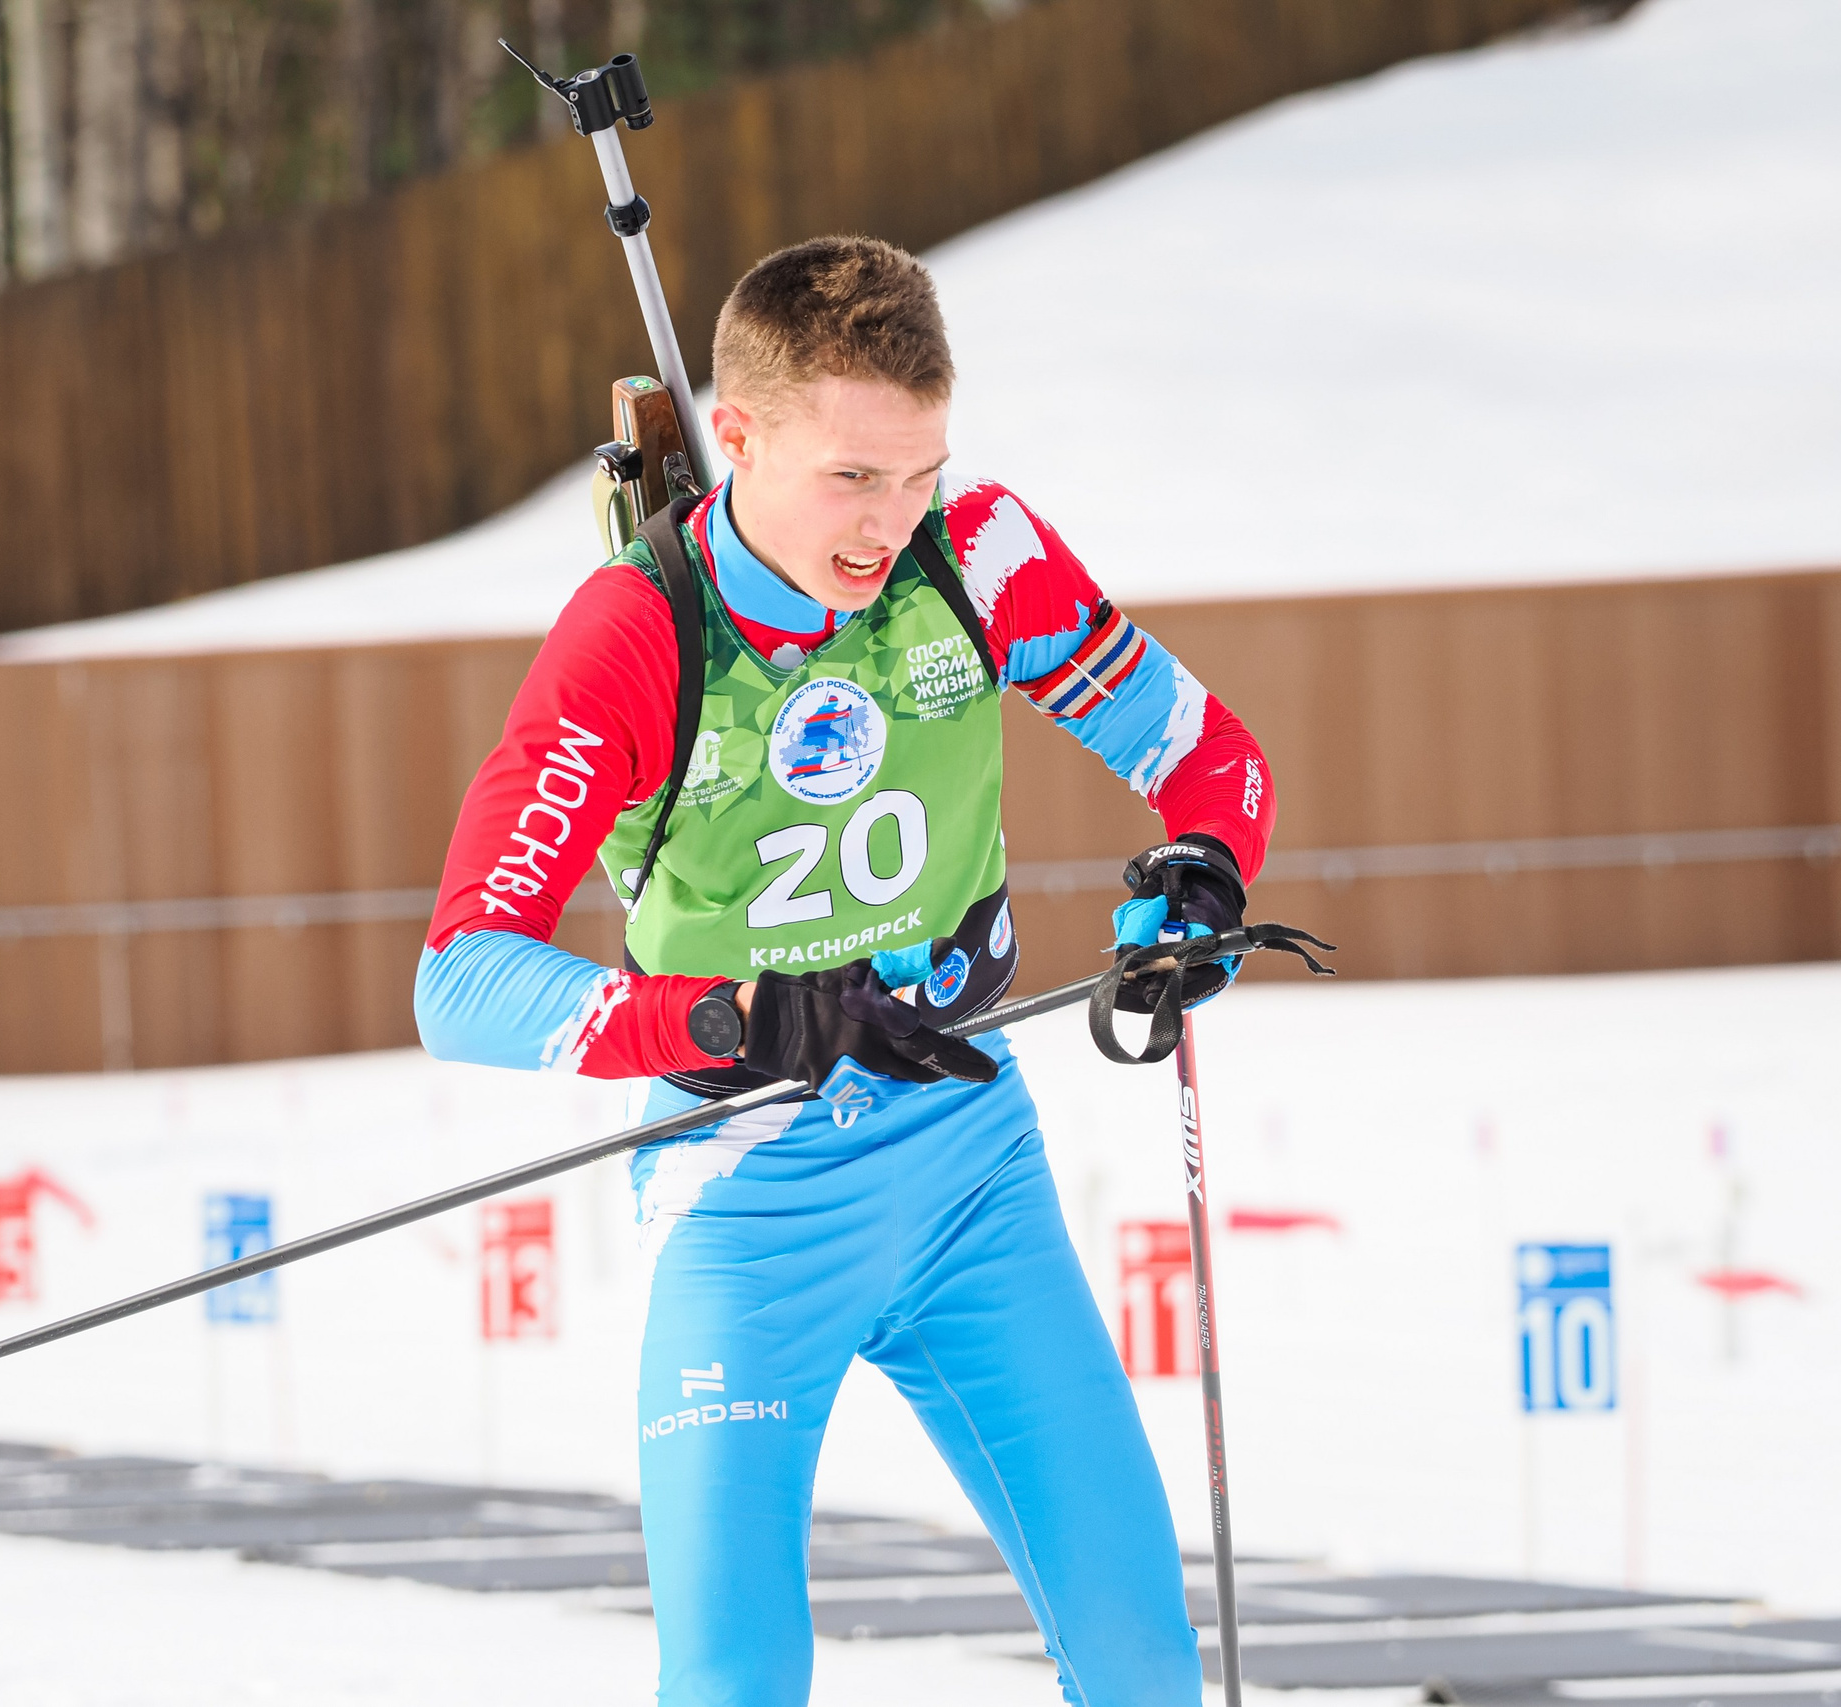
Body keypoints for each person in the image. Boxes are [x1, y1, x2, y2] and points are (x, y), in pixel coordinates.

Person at [416, 234, 1275, 1706]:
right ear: (735, 437)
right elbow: (466, 981)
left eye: (918, 470)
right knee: (740, 1677)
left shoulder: (978, 556)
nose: (888, 523)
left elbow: (1210, 764)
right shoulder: (636, 634)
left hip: (969, 1172)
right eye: (851, 479)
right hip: (744, 1195)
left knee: (1141, 1658)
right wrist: (730, 1015)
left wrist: (1201, 887)